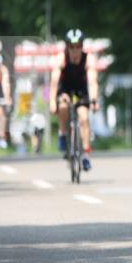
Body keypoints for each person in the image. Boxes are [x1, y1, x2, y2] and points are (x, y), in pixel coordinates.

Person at [49, 29, 99, 172]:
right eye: (72, 46)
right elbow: (54, 81)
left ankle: (85, 154)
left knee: (84, 118)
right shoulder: (61, 58)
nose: (75, 50)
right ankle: (64, 133)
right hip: (65, 90)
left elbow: (93, 81)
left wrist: (94, 100)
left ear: (82, 47)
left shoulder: (88, 59)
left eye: (78, 47)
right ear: (67, 47)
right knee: (63, 107)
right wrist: (52, 101)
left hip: (81, 91)